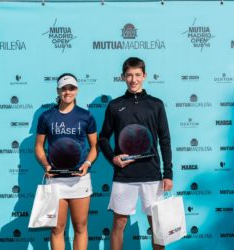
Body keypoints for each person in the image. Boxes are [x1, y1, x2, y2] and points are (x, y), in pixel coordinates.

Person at [99, 57, 173, 250]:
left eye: (137, 75)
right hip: (124, 175)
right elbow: (103, 138)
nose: (134, 79)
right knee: (119, 224)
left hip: (152, 174)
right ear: (123, 77)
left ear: (144, 76)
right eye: (129, 75)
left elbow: (165, 140)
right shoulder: (115, 105)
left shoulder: (156, 104)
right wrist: (113, 159)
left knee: (157, 226)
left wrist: (168, 174)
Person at [35, 73, 97, 250]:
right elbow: (39, 147)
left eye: (71, 88)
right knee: (57, 229)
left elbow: (94, 147)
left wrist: (87, 164)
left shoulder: (86, 116)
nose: (67, 92)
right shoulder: (46, 117)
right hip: (55, 179)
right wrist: (45, 164)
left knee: (80, 227)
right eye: (64, 88)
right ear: (58, 90)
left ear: (76, 90)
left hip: (79, 179)